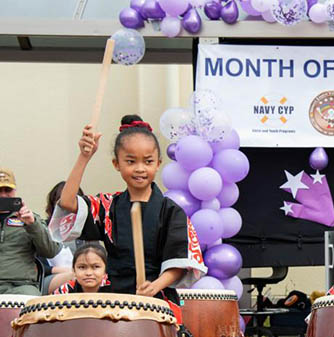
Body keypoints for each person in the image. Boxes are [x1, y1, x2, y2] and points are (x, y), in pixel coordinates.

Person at [51, 115, 206, 305]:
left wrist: (155, 286)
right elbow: (67, 202)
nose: (140, 168)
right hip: (114, 297)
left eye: (148, 161)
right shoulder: (108, 206)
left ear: (158, 163)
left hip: (156, 298)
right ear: (117, 164)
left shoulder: (171, 212)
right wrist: (84, 157)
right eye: (131, 161)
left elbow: (180, 263)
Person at [0, 167, 60, 295]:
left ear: (14, 191)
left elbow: (50, 251)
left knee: (31, 304)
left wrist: (32, 225)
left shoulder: (30, 219)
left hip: (21, 286)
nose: (3, 195)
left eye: (7, 190)